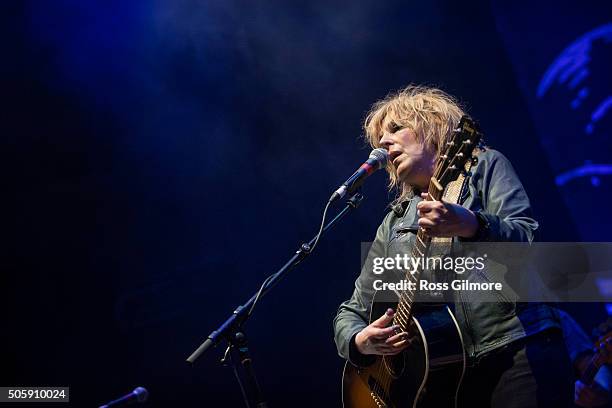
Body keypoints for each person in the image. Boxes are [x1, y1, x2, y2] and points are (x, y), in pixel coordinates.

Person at [333, 85, 575, 407]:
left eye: (396, 129)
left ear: (432, 126)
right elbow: (352, 311)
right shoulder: (392, 224)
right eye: (380, 139)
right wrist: (359, 341)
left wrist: (472, 225)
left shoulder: (485, 168)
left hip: (515, 349)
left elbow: (527, 243)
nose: (385, 142)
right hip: (446, 380)